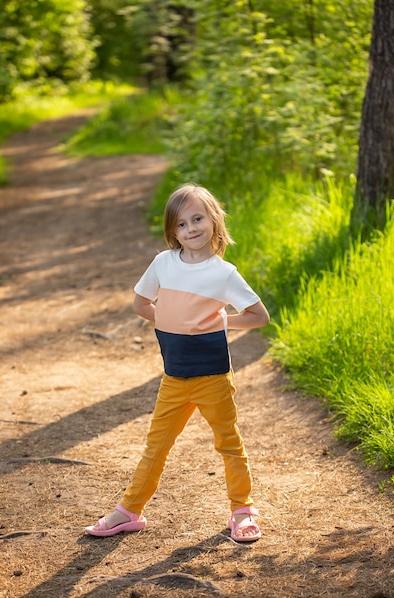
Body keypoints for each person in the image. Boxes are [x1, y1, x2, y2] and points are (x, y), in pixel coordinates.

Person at [85, 183, 270, 542]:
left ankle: (242, 512)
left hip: (214, 377)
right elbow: (140, 304)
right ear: (173, 232)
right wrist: (171, 322)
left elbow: (258, 316)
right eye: (182, 224)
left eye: (198, 218)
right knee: (156, 446)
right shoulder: (163, 264)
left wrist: (222, 322)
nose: (191, 229)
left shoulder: (224, 273)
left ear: (214, 220)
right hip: (174, 377)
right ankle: (128, 511)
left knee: (229, 444)